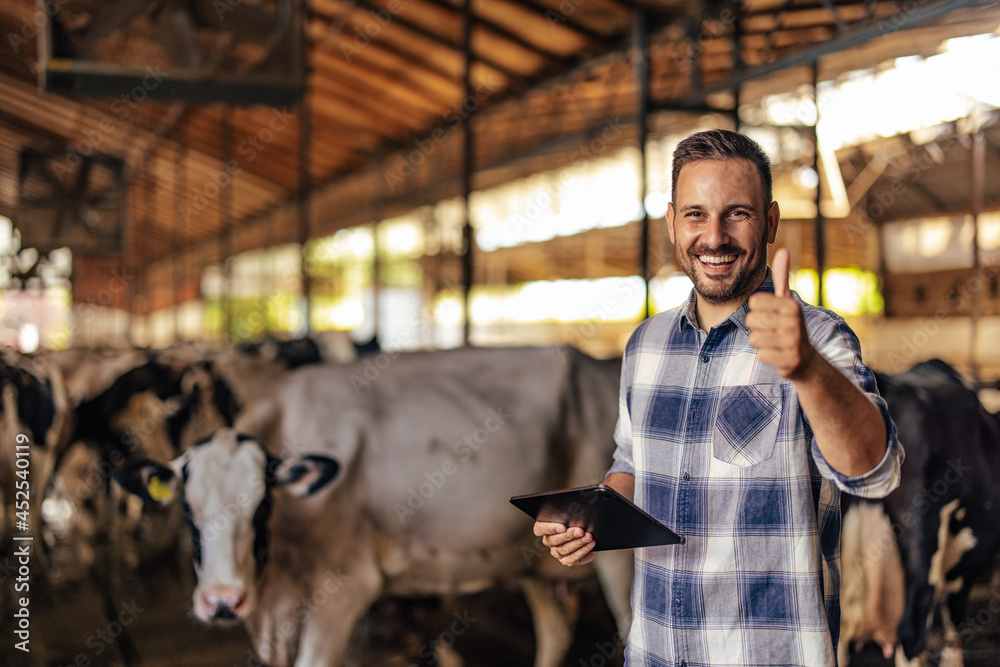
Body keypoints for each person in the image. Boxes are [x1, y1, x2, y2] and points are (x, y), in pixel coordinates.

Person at [534, 129, 902, 666]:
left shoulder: (818, 339)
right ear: (671, 222)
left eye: (737, 214)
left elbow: (876, 471)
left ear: (770, 223)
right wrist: (591, 518)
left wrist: (807, 372)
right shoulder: (645, 345)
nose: (714, 236)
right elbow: (633, 463)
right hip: (655, 649)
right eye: (695, 215)